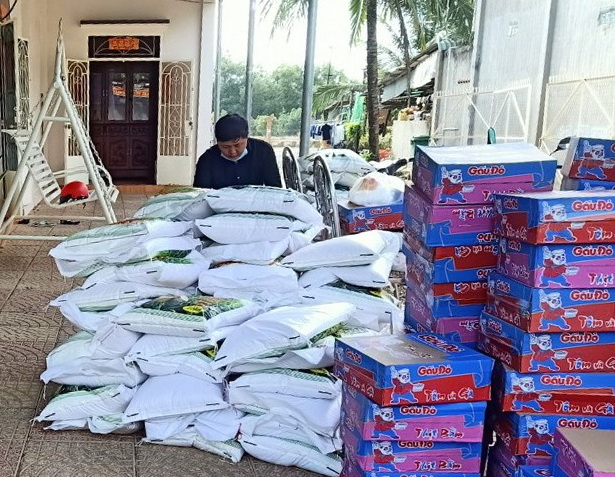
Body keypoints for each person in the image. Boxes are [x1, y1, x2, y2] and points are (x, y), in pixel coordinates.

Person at [193, 113, 282, 189]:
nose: (233, 152)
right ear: (217, 142)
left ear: (247, 137)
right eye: (226, 147)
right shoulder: (207, 159)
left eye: (237, 145)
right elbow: (201, 194)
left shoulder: (263, 151)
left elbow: (274, 188)